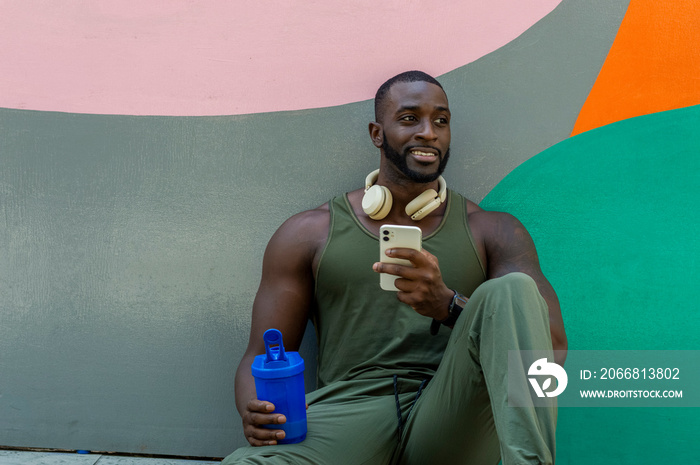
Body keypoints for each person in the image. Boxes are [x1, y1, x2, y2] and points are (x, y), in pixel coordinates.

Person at [223, 70, 567, 464]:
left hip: (452, 413)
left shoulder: (494, 230)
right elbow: (262, 352)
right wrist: (257, 411)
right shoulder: (308, 233)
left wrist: (448, 306)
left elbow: (551, 352)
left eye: (441, 121)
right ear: (376, 133)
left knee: (512, 290)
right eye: (409, 119)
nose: (429, 132)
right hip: (349, 414)